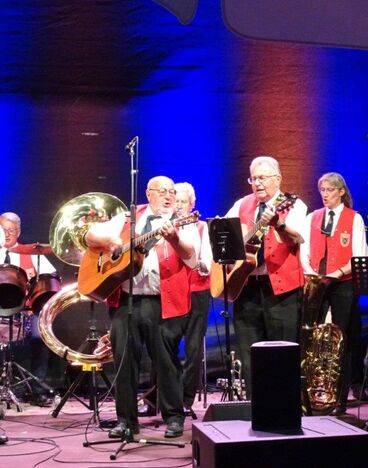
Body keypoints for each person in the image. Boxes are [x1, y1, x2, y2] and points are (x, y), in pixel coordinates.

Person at [85, 176, 199, 438]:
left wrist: (174, 239)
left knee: (166, 362)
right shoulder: (128, 218)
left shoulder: (183, 222)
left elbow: (192, 258)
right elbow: (91, 235)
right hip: (126, 301)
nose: (169, 196)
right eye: (163, 191)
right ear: (148, 194)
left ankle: (174, 417)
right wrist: (112, 242)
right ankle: (126, 421)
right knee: (124, 362)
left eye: (172, 192)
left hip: (162, 302)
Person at [224, 156, 307, 397]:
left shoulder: (294, 205)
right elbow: (224, 233)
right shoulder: (241, 204)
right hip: (247, 287)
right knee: (249, 354)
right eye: (253, 178)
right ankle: (255, 406)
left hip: (281, 290)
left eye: (262, 178)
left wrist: (279, 225)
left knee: (281, 352)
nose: (257, 183)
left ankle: (283, 408)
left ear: (278, 179)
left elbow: (297, 238)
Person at [299, 172, 368, 415]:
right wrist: (311, 274)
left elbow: (358, 255)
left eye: (330, 190)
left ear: (341, 192)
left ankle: (339, 398)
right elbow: (304, 250)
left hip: (343, 283)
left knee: (342, 341)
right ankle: (311, 396)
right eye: (323, 190)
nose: (325, 195)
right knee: (312, 338)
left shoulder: (354, 218)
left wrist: (336, 274)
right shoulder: (312, 217)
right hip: (316, 283)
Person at [0, 211, 57, 407]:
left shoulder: (30, 254)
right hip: (1, 310)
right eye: (3, 230)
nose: (7, 234)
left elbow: (50, 279)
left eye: (11, 230)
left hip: (27, 311)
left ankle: (38, 390)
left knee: (40, 337)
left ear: (18, 231)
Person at [175, 182, 212, 411]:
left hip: (197, 291)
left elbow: (207, 263)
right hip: (171, 292)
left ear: (192, 204)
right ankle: (158, 398)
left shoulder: (201, 227)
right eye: (175, 201)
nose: (178, 206)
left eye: (183, 201)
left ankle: (186, 399)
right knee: (164, 346)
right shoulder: (165, 227)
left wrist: (194, 261)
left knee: (193, 347)